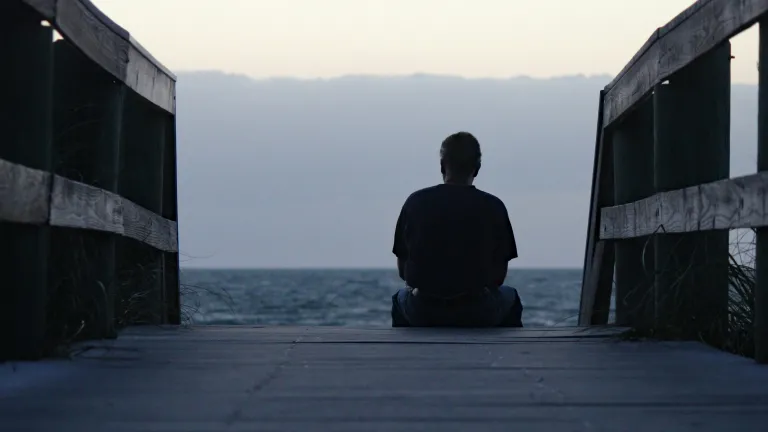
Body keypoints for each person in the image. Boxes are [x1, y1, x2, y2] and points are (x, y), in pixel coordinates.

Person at [390, 131, 523, 327]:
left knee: (399, 298)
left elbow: (404, 272)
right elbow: (498, 277)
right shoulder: (494, 206)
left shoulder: (415, 202)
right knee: (511, 297)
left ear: (442, 165)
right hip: (477, 311)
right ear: (477, 168)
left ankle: (407, 352)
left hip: (424, 310)